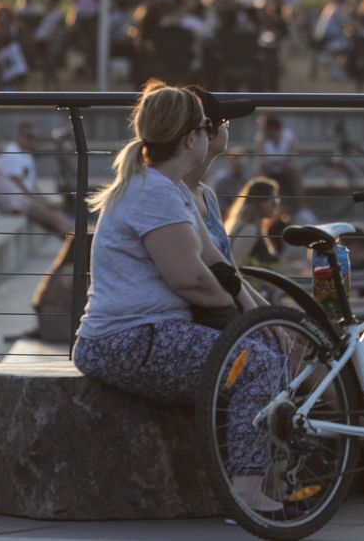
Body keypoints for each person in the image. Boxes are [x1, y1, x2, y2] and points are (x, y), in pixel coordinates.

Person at [71, 81, 288, 509]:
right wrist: (245, 323)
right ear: (191, 138)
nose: (212, 135)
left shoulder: (168, 189)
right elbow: (188, 279)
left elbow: (219, 268)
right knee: (256, 364)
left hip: (148, 335)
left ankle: (279, 483)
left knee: (268, 347)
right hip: (127, 341)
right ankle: (245, 491)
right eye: (208, 127)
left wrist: (265, 318)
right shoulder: (153, 193)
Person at [180, 86, 257, 265]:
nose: (227, 129)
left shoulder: (208, 195)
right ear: (208, 133)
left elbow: (229, 272)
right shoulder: (173, 196)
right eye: (225, 122)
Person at [0, 122, 70, 236]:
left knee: (51, 220)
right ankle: (75, 239)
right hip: (13, 203)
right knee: (52, 218)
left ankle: (72, 240)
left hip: (16, 201)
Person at [223, 177, 282, 269]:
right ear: (261, 202)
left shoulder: (257, 228)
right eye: (274, 202)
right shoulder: (250, 229)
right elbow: (234, 267)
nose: (276, 207)